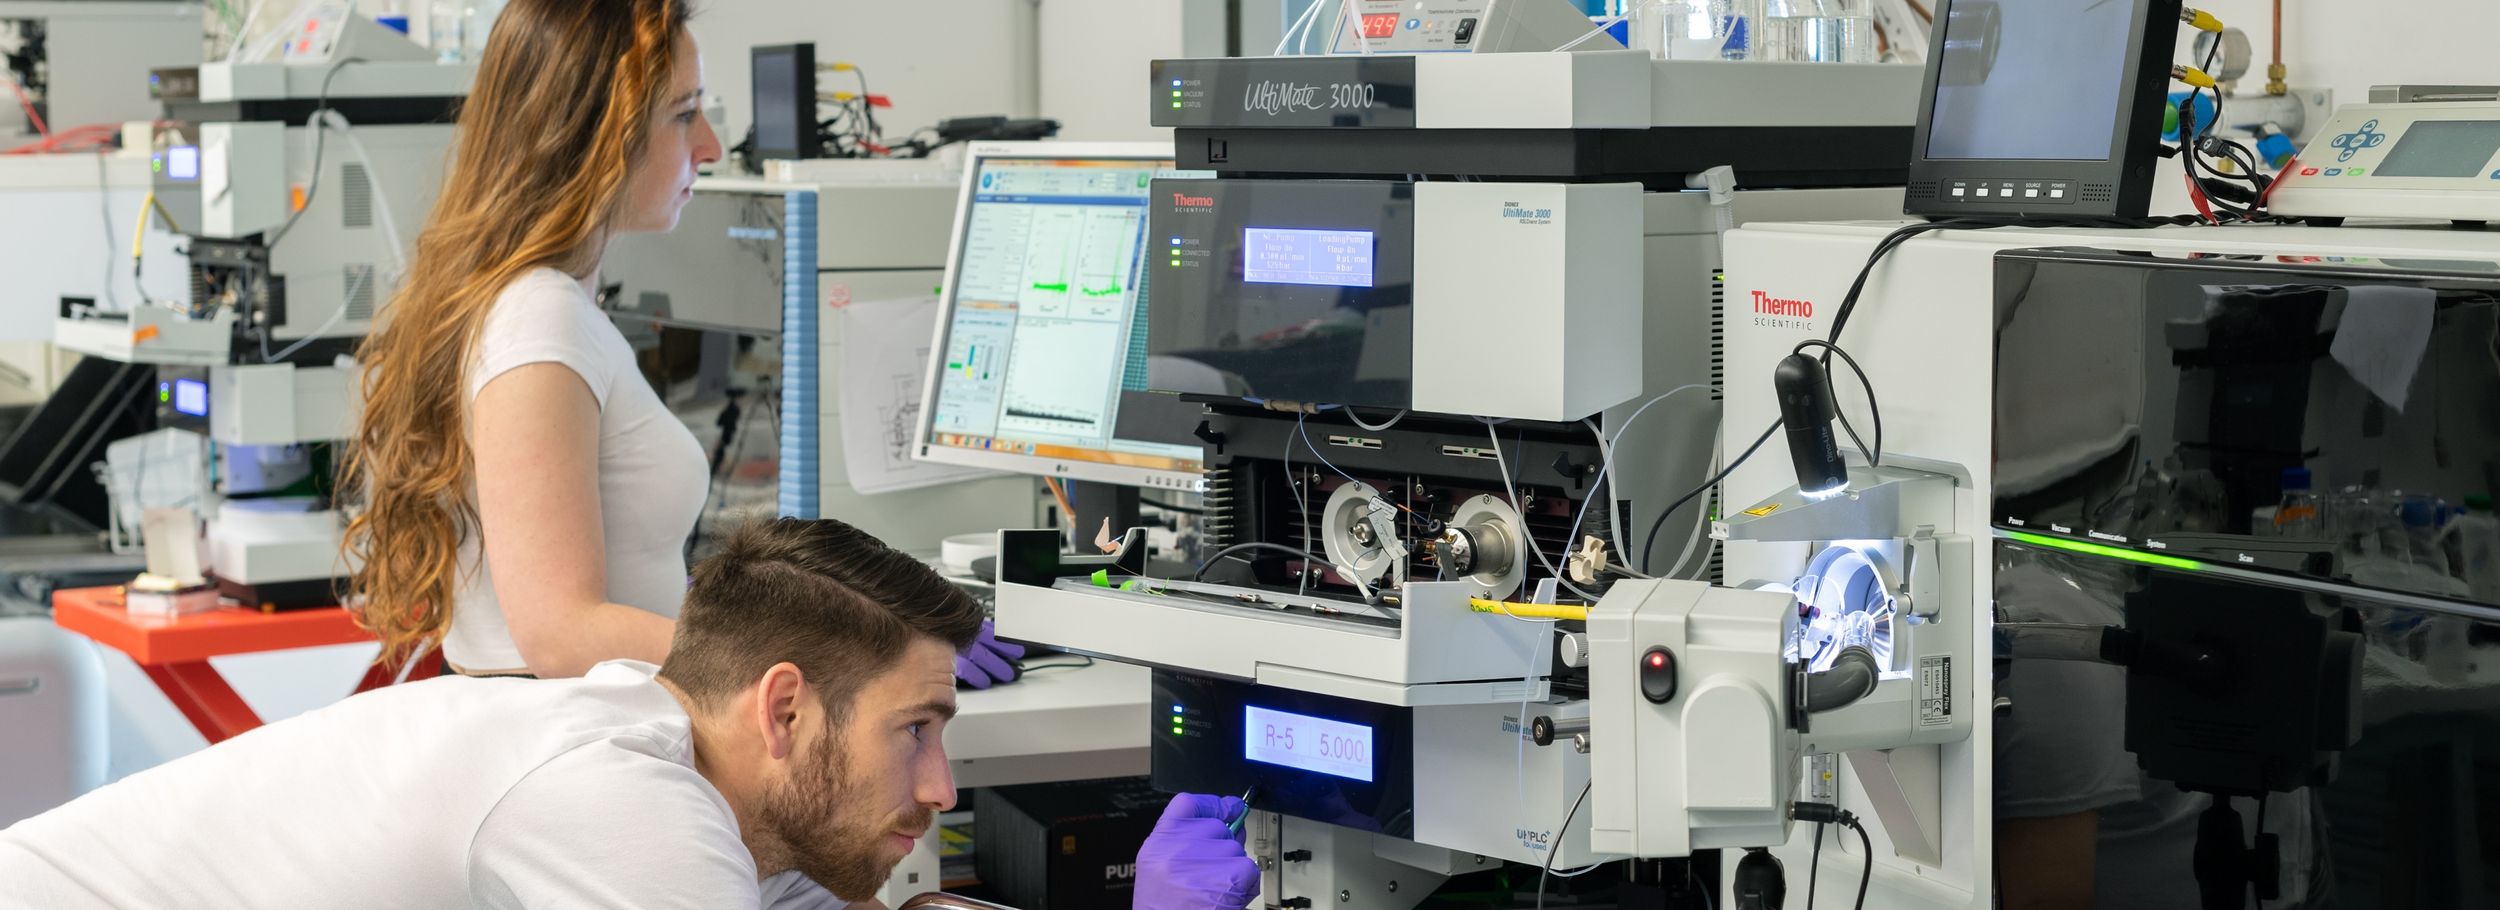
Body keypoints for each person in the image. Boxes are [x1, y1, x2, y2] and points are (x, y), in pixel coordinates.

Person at [0, 518, 1261, 909]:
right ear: (784, 706)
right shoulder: (619, 806)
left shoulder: (689, 758)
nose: (939, 788)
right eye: (914, 730)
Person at [339, 0, 1022, 683]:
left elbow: (616, 590)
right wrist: (841, 658)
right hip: (573, 747)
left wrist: (837, 614)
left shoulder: (544, 303)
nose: (711, 147)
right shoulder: (539, 319)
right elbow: (560, 630)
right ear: (593, 133)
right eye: (683, 113)